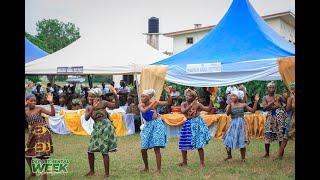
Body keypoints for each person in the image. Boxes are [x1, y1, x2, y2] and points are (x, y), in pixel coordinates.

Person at [84, 87, 119, 178]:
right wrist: (93, 108)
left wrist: (115, 94)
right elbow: (86, 118)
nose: (88, 98)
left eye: (90, 96)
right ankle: (92, 171)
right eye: (88, 97)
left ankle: (106, 174)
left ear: (96, 97)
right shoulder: (88, 107)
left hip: (105, 126)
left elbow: (116, 106)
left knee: (104, 151)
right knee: (90, 150)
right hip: (96, 128)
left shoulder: (103, 103)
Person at [138, 87, 172, 174]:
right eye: (141, 96)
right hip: (148, 125)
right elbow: (144, 111)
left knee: (156, 148)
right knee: (143, 149)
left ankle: (158, 170)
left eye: (144, 97)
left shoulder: (155, 103)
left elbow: (169, 103)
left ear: (149, 97)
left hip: (157, 124)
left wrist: (168, 94)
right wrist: (153, 104)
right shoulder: (141, 105)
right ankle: (146, 167)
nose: (142, 98)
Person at [178, 88, 212, 168]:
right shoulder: (183, 104)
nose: (187, 96)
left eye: (189, 95)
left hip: (196, 124)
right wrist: (191, 105)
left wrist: (211, 101)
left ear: (193, 97)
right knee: (184, 143)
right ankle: (184, 162)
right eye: (186, 95)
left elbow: (208, 109)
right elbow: (183, 111)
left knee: (199, 144)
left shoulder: (198, 104)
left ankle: (202, 163)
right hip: (187, 124)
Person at [25, 93, 55, 180]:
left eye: (35, 101)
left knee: (42, 155)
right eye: (31, 101)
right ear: (27, 101)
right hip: (33, 133)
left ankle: (44, 177)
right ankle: (32, 172)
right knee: (27, 154)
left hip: (43, 133)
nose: (34, 102)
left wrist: (51, 103)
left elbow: (52, 114)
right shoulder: (26, 111)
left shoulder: (39, 109)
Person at [223, 91, 260, 162]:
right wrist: (230, 106)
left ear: (238, 97)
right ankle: (229, 155)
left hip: (241, 124)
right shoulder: (229, 105)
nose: (232, 97)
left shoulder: (243, 105)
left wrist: (256, 101)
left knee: (242, 140)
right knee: (228, 139)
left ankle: (243, 158)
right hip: (233, 123)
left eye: (234, 96)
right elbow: (227, 114)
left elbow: (253, 110)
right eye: (232, 96)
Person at [262, 81, 288, 158]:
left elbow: (286, 103)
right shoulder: (265, 97)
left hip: (279, 117)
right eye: (270, 87)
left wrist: (283, 97)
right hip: (270, 117)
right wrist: (273, 101)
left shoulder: (278, 96)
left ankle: (281, 154)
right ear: (267, 89)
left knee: (280, 134)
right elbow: (264, 108)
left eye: (273, 87)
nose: (271, 89)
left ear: (275, 89)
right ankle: (267, 153)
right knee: (267, 133)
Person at [276, 82, 295, 159]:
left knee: (286, 136)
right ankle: (279, 155)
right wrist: (290, 100)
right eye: (291, 88)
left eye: (293, 88)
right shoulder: (290, 97)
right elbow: (288, 109)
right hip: (293, 118)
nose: (292, 90)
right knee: (286, 136)